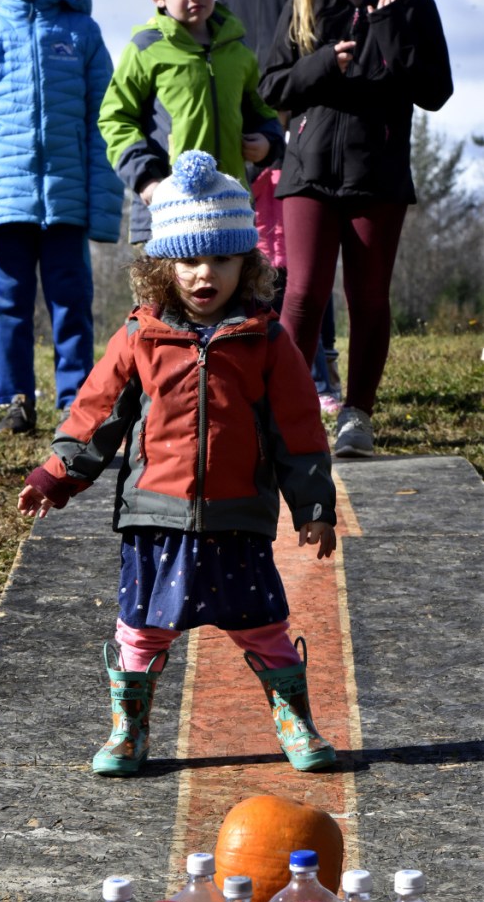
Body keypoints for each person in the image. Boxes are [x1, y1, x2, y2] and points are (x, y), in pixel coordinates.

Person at [18, 149, 338, 778]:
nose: (205, 274)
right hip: (155, 519)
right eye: (190, 259)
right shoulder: (140, 336)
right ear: (164, 266)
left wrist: (315, 507)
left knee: (265, 626)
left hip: (237, 517)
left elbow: (298, 432)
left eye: (222, 258)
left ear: (245, 264)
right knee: (140, 630)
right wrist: (57, 475)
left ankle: (293, 717)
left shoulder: (267, 340)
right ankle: (129, 731)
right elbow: (96, 413)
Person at [259, 0, 453, 455]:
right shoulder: (306, 0)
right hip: (308, 173)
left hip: (379, 176)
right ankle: (281, 412)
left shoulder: (413, 5)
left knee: (368, 297)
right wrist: (324, 64)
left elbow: (436, 90)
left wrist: (389, 33)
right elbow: (272, 86)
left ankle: (357, 417)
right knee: (302, 294)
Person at [0, 0, 124, 434]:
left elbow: (103, 123)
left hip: (66, 203)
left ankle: (76, 402)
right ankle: (16, 400)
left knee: (72, 304)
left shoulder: (83, 33)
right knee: (7, 307)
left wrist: (103, 207)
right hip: (4, 207)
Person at [218, 0, 342, 414]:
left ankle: (321, 363)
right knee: (257, 258)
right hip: (246, 129)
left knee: (302, 260)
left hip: (299, 126)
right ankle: (256, 366)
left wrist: (282, 121)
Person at [98, 0, 284, 245]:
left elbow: (262, 111)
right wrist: (147, 181)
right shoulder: (145, 48)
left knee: (232, 289)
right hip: (164, 212)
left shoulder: (238, 51)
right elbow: (115, 119)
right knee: (166, 291)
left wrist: (268, 142)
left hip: (230, 210)